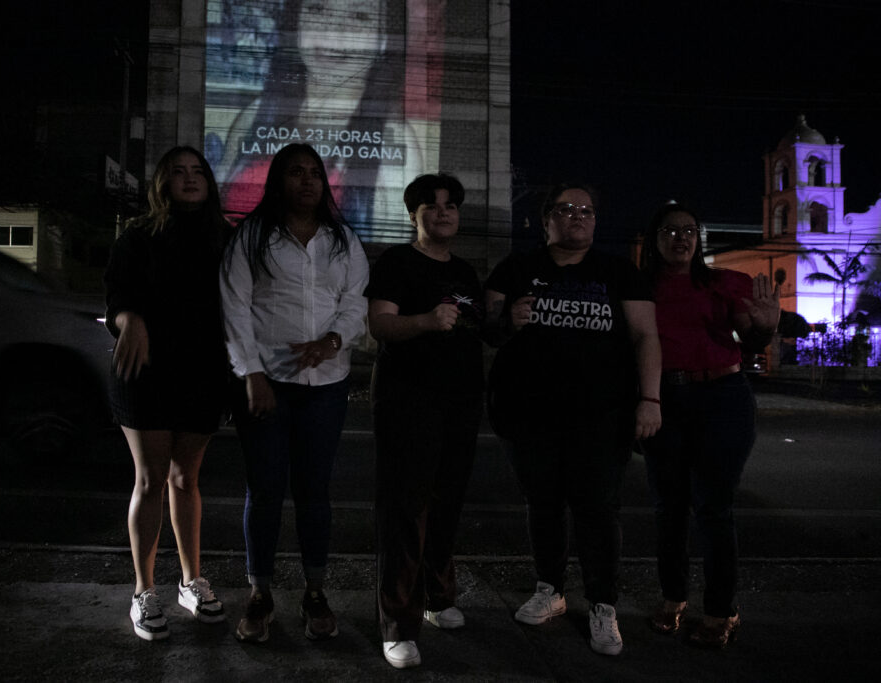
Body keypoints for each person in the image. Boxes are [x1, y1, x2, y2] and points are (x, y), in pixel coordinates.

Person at [483, 183, 662, 656]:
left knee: (598, 510)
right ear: (546, 221)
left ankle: (603, 604)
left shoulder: (618, 271)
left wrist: (650, 399)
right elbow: (487, 328)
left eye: (586, 210)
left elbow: (646, 336)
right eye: (565, 209)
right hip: (529, 414)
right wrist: (507, 323)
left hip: (602, 416)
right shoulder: (516, 268)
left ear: (595, 221)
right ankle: (550, 589)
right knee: (543, 504)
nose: (577, 217)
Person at [219, 142, 370, 643]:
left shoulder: (344, 240)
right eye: (294, 173)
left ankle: (314, 591)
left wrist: (331, 341)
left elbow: (355, 305)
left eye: (313, 174)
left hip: (325, 386)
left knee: (314, 494)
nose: (306, 181)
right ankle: (260, 593)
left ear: (323, 184)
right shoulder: (252, 237)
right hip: (268, 387)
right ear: (278, 180)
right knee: (264, 493)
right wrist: (251, 374)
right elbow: (235, 307)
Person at [103, 146, 232, 641]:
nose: (190, 178)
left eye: (198, 171)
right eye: (178, 172)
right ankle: (142, 589)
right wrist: (129, 318)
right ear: (163, 182)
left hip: (202, 372)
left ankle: (190, 580)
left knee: (186, 478)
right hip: (147, 371)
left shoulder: (225, 237)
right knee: (150, 478)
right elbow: (117, 293)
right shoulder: (137, 235)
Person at [639, 202, 779, 648]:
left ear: (698, 240)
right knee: (669, 508)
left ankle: (721, 609)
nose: (680, 238)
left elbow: (748, 335)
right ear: (654, 239)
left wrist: (764, 329)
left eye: (689, 231)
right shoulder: (641, 288)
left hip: (722, 398)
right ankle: (673, 597)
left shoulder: (722, 281)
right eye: (669, 231)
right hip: (664, 399)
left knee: (714, 508)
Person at [364, 174, 484, 669]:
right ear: (413, 214)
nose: (442, 212)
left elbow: (475, 330)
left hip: (460, 402)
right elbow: (379, 324)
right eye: (431, 206)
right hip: (407, 400)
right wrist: (426, 321)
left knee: (446, 503)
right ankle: (398, 624)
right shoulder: (396, 262)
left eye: (450, 205)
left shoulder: (466, 271)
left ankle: (438, 597)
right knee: (405, 510)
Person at [212, 0, 423, 241]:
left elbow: (389, 247)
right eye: (318, 9)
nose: (334, 31)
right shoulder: (254, 115)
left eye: (360, 16)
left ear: (383, 39)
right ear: (296, 22)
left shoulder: (394, 138)